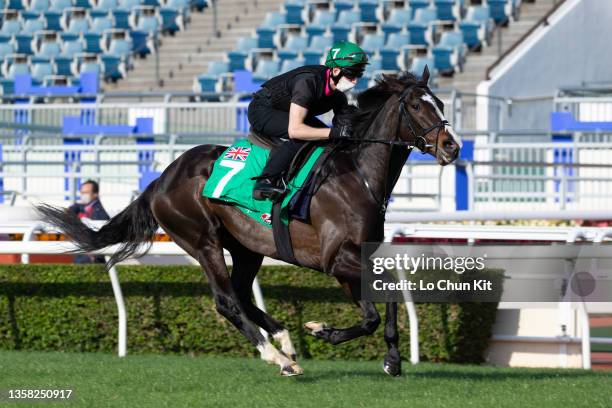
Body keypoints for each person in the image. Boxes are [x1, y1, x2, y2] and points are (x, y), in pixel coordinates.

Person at [248, 40, 369, 201]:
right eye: (351, 74)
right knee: (303, 137)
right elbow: (295, 130)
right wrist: (335, 132)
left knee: (328, 138)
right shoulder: (307, 83)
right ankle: (266, 181)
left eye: (358, 75)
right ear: (335, 70)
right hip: (262, 110)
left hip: (287, 113)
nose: (354, 81)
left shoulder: (338, 96)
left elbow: (344, 129)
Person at [68, 180, 110, 264]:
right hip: (83, 252)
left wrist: (94, 257)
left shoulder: (99, 213)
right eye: (82, 192)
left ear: (95, 194)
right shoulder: (83, 207)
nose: (83, 195)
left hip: (91, 257)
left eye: (86, 192)